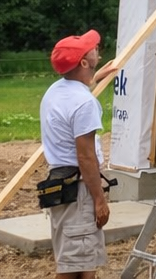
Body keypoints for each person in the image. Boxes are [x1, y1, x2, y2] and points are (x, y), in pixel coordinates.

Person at [40, 30, 116, 279]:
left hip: (60, 183)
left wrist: (99, 76)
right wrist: (99, 200)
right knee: (75, 268)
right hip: (79, 190)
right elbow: (85, 158)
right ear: (84, 62)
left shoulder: (56, 90)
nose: (97, 49)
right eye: (92, 49)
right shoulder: (84, 104)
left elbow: (77, 88)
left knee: (78, 260)